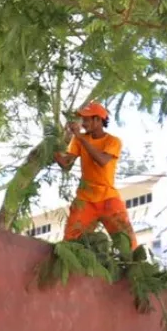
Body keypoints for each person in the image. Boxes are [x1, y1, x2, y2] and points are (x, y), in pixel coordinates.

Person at [54, 102, 137, 249]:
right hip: (85, 199)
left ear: (98, 120)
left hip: (108, 199)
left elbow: (102, 160)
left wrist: (80, 137)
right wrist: (55, 149)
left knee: (128, 244)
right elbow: (67, 165)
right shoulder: (79, 140)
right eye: (82, 120)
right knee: (70, 244)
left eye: (86, 120)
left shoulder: (113, 141)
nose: (83, 123)